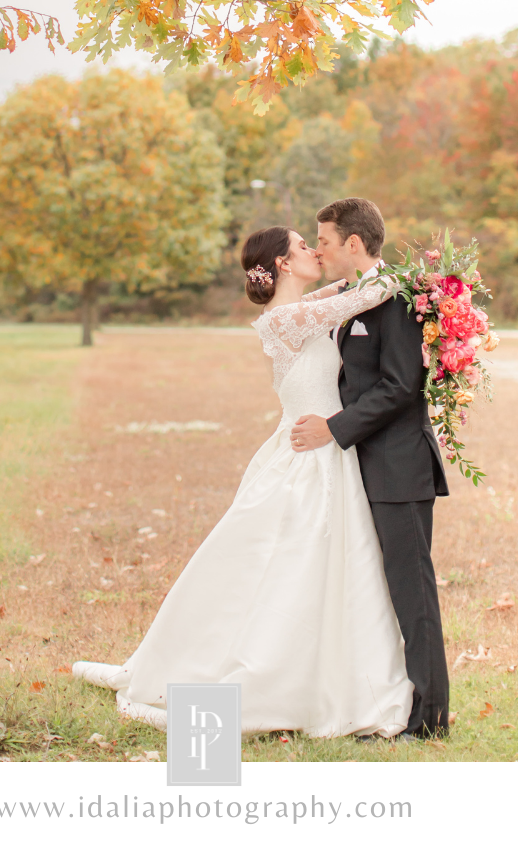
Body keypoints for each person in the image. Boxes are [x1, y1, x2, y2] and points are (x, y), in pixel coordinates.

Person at [72, 224, 414, 738]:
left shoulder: (298, 308)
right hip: (308, 458)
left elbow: (339, 293)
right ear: (281, 262)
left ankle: (333, 668)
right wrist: (419, 280)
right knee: (296, 566)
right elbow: (365, 295)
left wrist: (357, 280)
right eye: (304, 245)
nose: (314, 251)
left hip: (326, 451)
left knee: (327, 568)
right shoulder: (288, 319)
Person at [291, 197, 450, 738]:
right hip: (363, 470)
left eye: (327, 241)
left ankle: (430, 719)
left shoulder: (396, 297)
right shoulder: (356, 296)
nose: (321, 249)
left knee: (413, 592)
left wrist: (333, 428)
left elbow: (402, 386)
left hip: (399, 468)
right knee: (383, 591)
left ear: (353, 244)